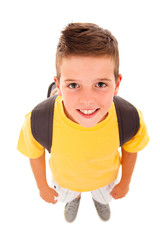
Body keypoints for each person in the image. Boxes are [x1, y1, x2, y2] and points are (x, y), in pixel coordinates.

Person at [17, 23, 149, 222]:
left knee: (104, 195)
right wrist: (42, 186)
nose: (87, 100)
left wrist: (125, 183)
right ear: (59, 85)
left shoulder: (129, 118)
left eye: (100, 84)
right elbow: (35, 154)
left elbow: (131, 149)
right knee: (71, 193)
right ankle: (75, 198)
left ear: (117, 84)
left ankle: (100, 200)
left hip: (105, 180)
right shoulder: (37, 120)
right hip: (65, 181)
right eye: (73, 85)